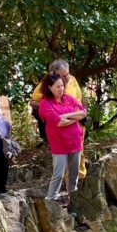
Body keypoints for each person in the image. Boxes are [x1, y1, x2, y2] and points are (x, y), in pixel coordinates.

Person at [39, 71, 87, 206]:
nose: (61, 89)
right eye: (57, 86)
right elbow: (60, 122)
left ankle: (73, 200)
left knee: (74, 174)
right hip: (59, 143)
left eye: (62, 86)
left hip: (75, 141)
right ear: (49, 87)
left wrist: (66, 116)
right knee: (58, 174)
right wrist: (74, 116)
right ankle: (50, 200)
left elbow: (83, 113)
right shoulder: (45, 104)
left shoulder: (68, 98)